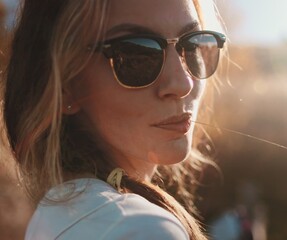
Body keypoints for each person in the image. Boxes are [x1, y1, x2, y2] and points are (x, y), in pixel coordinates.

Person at [2, 0, 226, 239]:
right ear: (65, 84)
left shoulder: (52, 216)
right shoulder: (141, 229)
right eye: (136, 55)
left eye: (192, 46)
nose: (182, 83)